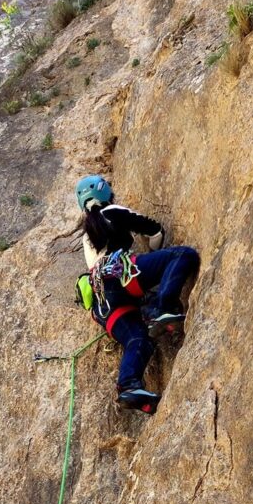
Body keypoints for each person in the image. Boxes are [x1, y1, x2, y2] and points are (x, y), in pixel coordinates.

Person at [74, 175, 200, 414]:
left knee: (138, 339)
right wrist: (154, 258)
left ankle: (129, 385)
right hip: (124, 278)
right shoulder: (112, 210)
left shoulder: (86, 235)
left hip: (105, 306)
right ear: (105, 193)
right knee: (183, 255)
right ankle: (163, 308)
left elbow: (96, 269)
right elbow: (155, 231)